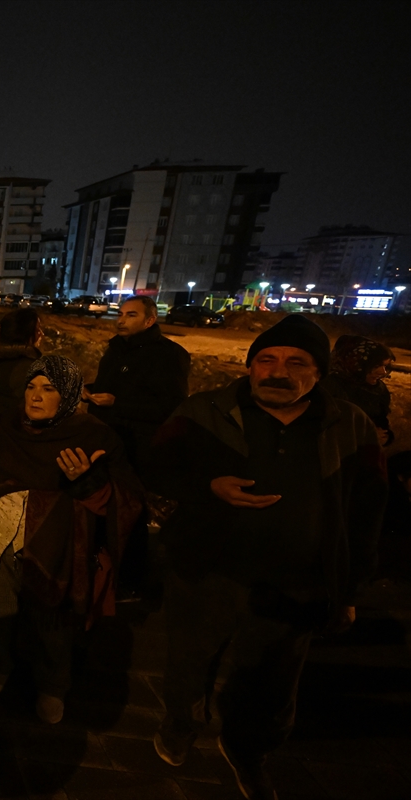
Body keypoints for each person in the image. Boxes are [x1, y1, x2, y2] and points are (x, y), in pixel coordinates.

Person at [149, 315, 387, 800]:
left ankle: (249, 751)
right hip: (205, 570)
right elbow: (154, 472)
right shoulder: (201, 411)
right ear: (251, 366)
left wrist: (349, 589)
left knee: (273, 679)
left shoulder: (349, 427)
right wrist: (206, 487)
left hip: (297, 581)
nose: (279, 371)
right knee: (189, 662)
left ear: (318, 373)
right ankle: (181, 723)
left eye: (296, 362)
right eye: (267, 360)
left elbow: (368, 513)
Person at [0, 355, 142, 724]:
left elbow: (123, 502)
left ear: (67, 395)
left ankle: (53, 686)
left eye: (48, 389)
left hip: (58, 548)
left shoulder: (93, 436)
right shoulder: (3, 426)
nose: (35, 396)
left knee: (53, 624)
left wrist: (87, 480)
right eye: (31, 387)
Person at [82, 295, 190, 596]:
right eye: (120, 313)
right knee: (101, 506)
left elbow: (172, 406)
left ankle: (130, 580)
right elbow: (112, 387)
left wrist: (118, 404)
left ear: (149, 320)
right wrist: (90, 392)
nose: (121, 320)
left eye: (131, 315)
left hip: (138, 448)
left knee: (131, 513)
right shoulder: (116, 350)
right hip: (105, 442)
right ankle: (101, 569)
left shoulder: (169, 355)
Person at [319, 334, 395, 445]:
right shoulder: (330, 386)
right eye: (376, 366)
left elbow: (381, 422)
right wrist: (363, 437)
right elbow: (321, 429)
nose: (383, 372)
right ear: (356, 363)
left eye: (385, 366)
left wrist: (386, 437)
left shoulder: (378, 389)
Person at [0, 307, 44, 416]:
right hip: (17, 429)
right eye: (37, 330)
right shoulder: (25, 368)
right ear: (24, 334)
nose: (41, 334)